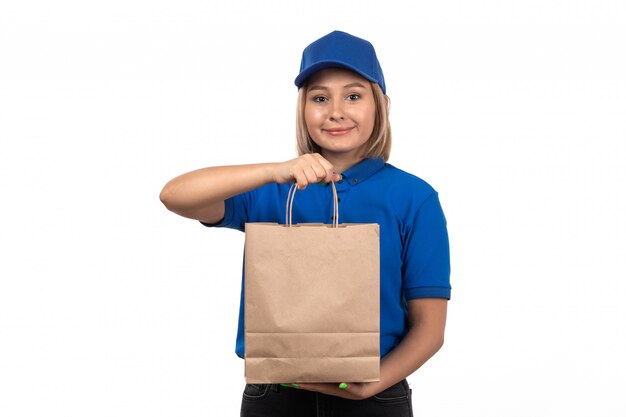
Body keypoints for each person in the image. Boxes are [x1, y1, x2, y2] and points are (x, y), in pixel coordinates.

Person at [160, 30, 451, 417]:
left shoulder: (413, 197)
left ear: (380, 105)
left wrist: (374, 385)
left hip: (376, 394)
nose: (336, 111)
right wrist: (274, 170)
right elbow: (174, 195)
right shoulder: (273, 190)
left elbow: (430, 328)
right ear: (303, 109)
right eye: (319, 98)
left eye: (353, 95)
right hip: (275, 395)